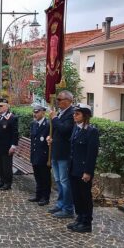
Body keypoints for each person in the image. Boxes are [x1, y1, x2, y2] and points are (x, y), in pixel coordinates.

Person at [68, 104, 99, 233]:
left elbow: (91, 154)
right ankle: (80, 218)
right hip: (73, 168)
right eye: (74, 114)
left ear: (85, 116)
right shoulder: (76, 128)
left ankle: (86, 223)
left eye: (77, 114)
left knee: (85, 196)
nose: (74, 116)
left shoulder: (91, 131)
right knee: (76, 195)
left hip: (83, 170)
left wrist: (88, 171)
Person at [47, 90, 75, 218]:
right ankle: (60, 204)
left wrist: (54, 118)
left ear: (68, 101)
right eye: (57, 99)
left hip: (64, 153)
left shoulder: (71, 113)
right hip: (56, 152)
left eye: (59, 99)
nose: (57, 102)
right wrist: (51, 138)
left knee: (65, 181)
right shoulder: (60, 113)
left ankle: (68, 209)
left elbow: (65, 130)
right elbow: (58, 132)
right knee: (58, 180)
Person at [29, 105, 51, 205]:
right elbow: (33, 139)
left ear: (43, 112)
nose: (35, 114)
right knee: (37, 176)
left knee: (45, 177)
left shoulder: (48, 125)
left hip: (43, 155)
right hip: (35, 154)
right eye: (34, 112)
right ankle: (38, 195)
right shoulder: (33, 123)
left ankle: (45, 197)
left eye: (37, 112)